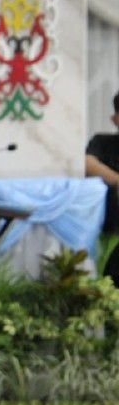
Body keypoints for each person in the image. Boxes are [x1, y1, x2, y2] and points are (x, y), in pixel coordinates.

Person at [86, 91, 119, 282]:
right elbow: (87, 163)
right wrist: (116, 180)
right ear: (115, 119)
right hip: (107, 232)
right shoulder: (102, 142)